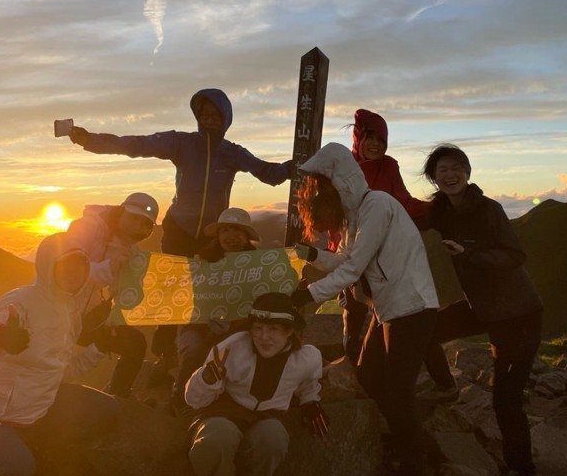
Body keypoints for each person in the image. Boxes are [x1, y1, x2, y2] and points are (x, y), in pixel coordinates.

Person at [68, 89, 294, 384]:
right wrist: (91, 140)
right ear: (198, 119)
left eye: (216, 116)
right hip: (177, 231)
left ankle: (202, 353)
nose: (210, 120)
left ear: (226, 120)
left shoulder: (233, 152)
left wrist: (299, 166)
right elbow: (138, 145)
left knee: (205, 293)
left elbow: (269, 174)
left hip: (212, 236)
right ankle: (166, 354)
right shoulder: (181, 143)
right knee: (170, 290)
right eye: (205, 115)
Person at [290, 142, 438, 476]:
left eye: (323, 186)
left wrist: (307, 296)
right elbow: (345, 259)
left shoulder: (378, 205)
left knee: (398, 392)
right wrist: (313, 255)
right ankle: (414, 441)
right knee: (370, 376)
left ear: (340, 180)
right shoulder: (354, 216)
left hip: (413, 308)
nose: (317, 194)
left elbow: (353, 268)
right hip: (388, 310)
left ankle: (415, 463)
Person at [415, 143, 544, 476]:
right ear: (434, 178)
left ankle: (521, 468)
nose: (450, 174)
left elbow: (514, 255)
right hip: (482, 308)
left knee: (506, 400)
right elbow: (408, 215)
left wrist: (469, 255)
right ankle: (446, 386)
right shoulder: (441, 211)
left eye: (456, 167)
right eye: (442, 170)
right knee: (423, 329)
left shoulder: (489, 209)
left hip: (518, 315)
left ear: (468, 173)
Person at [0, 233, 119, 476]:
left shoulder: (69, 312)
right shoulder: (21, 299)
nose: (74, 272)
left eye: (81, 266)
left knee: (107, 410)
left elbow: (62, 371)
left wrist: (98, 349)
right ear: (47, 266)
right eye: (66, 265)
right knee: (19, 468)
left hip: (39, 411)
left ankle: (37, 443)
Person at [185, 292, 328, 476]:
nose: (263, 337)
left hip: (267, 418)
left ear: (290, 331)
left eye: (273, 329)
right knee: (215, 437)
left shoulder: (307, 358)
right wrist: (207, 379)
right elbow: (192, 400)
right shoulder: (231, 348)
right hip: (222, 414)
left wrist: (310, 402)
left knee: (273, 438)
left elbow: (308, 383)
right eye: (258, 328)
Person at [334, 108, 428, 365]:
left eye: (381, 140)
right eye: (370, 137)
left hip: (384, 251)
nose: (375, 145)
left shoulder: (388, 166)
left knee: (384, 306)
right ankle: (351, 356)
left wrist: (438, 208)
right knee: (353, 307)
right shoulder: (342, 169)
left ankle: (382, 361)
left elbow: (403, 202)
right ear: (358, 137)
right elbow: (333, 212)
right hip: (352, 248)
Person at [64, 192, 159, 398]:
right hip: (58, 315)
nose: (138, 227)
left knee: (135, 343)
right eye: (133, 218)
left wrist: (116, 315)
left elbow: (119, 291)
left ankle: (120, 394)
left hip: (87, 319)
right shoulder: (87, 227)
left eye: (145, 224)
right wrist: (110, 266)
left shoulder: (132, 250)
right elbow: (68, 271)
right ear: (120, 211)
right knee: (55, 366)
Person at [171, 207, 260, 417]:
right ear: (218, 235)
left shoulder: (260, 265)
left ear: (247, 236)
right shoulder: (201, 262)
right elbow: (189, 298)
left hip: (240, 326)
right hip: (197, 324)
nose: (231, 236)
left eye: (238, 230)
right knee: (195, 350)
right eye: (225, 230)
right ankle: (179, 397)